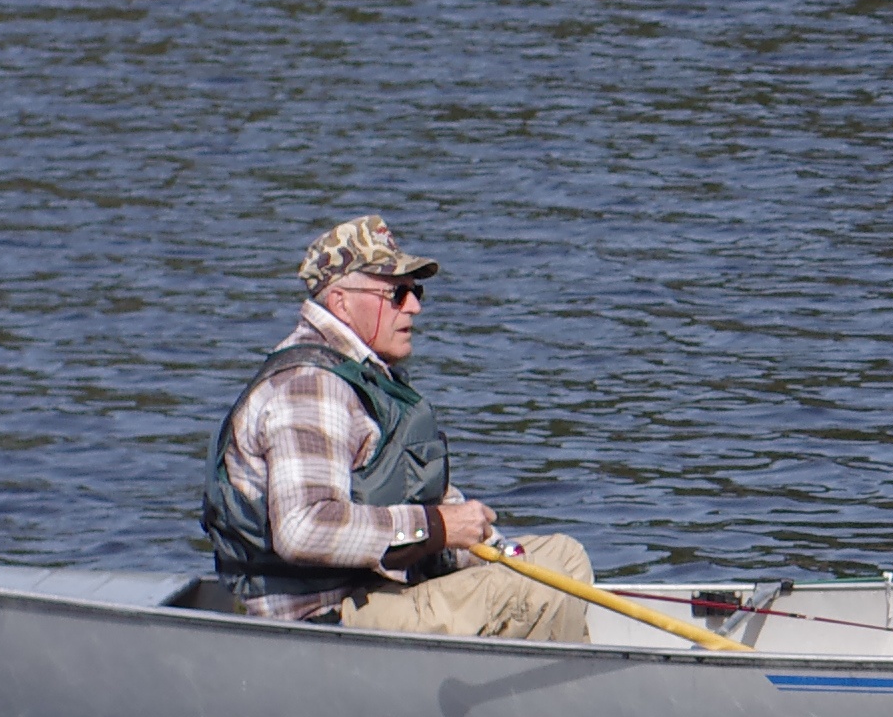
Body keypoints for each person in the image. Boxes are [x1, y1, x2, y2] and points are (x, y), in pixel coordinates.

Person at [200, 215, 598, 641]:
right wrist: (438, 527)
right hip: (319, 622)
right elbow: (304, 528)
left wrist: (493, 547)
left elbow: (414, 499)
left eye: (415, 291)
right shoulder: (310, 388)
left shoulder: (364, 380)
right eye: (397, 293)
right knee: (531, 588)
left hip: (374, 595)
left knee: (562, 559)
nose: (414, 306)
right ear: (340, 302)